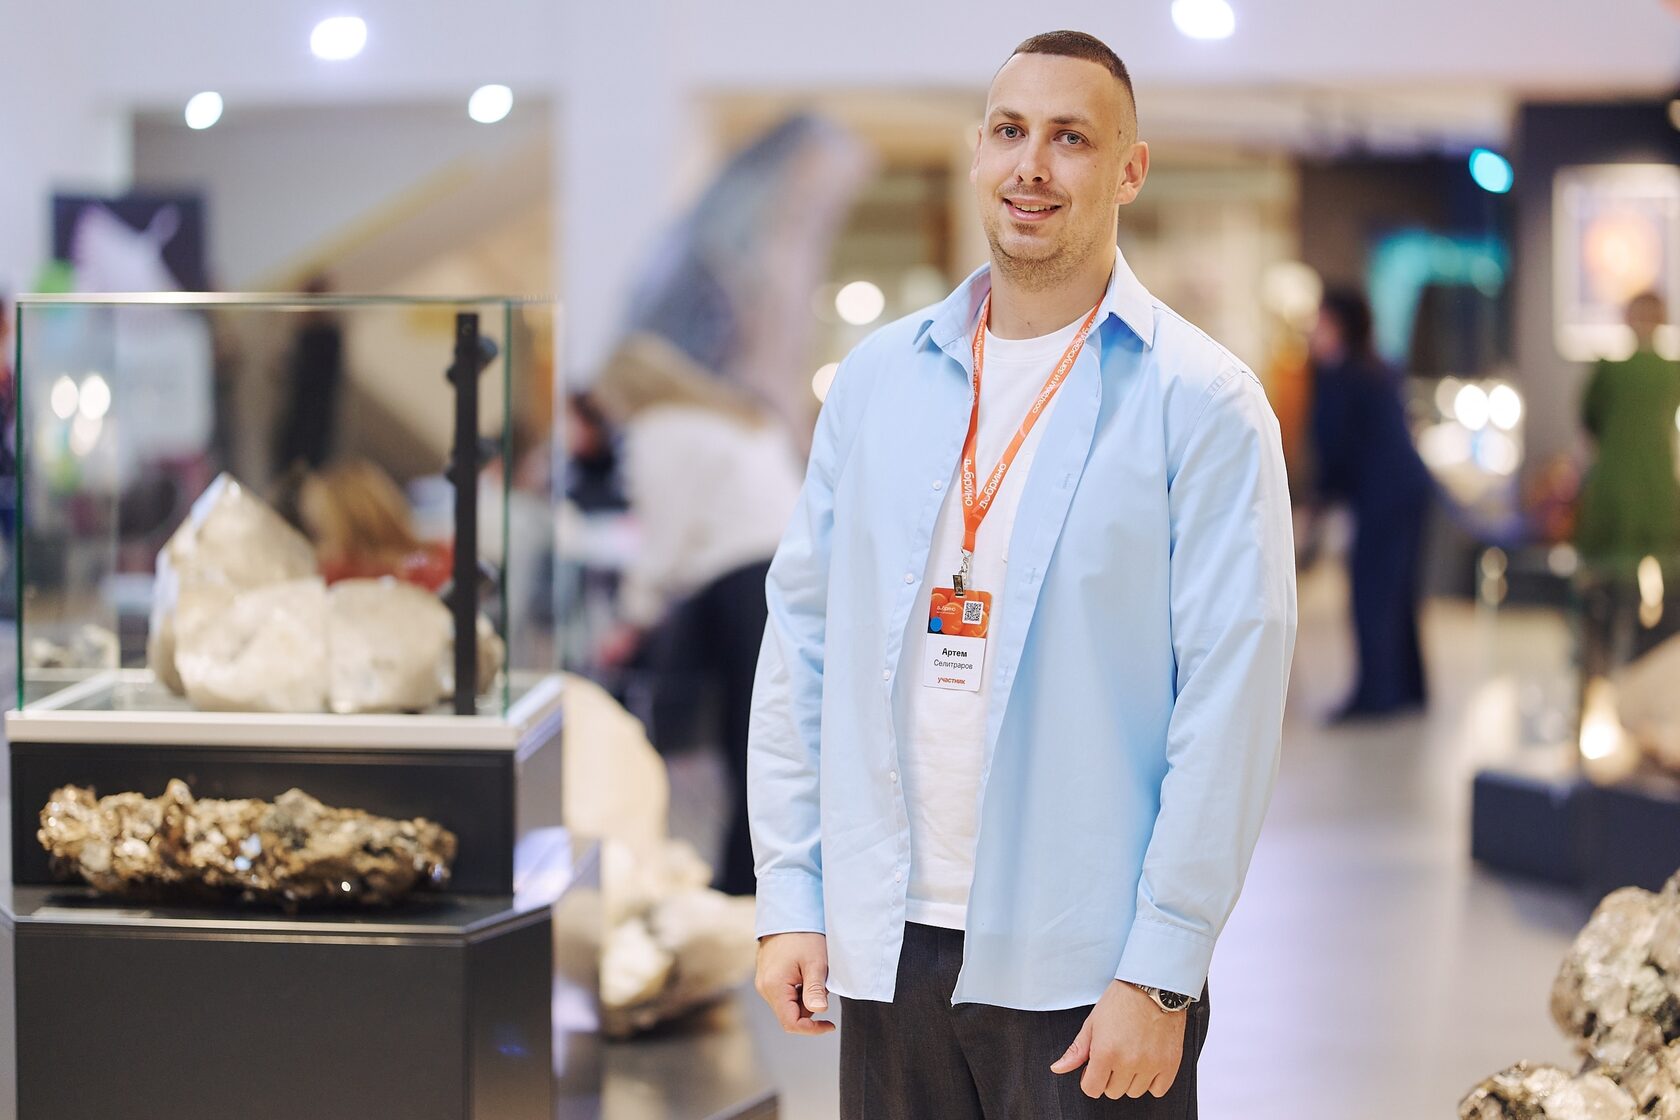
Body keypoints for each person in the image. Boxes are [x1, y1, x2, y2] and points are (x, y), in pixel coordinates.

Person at [749, 31, 1296, 1117]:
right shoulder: (876, 382)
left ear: (1130, 170)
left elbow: (1230, 702)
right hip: (889, 939)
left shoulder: (1203, 402)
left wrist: (1163, 968)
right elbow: (802, 641)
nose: (1031, 165)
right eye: (1009, 131)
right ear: (977, 152)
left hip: (1088, 965)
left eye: (1070, 139)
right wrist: (792, 891)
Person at [592, 332, 804, 897]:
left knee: (743, 741)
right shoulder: (737, 417)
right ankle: (754, 876)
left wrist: (631, 617)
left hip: (740, 587)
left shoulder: (658, 431)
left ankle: (743, 883)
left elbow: (665, 539)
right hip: (784, 578)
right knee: (765, 737)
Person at [1308, 288, 1432, 720]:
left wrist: (1317, 503)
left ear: (1337, 325)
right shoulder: (1376, 368)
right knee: (1398, 593)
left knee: (1372, 593)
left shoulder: (1342, 374)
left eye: (1319, 320)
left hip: (1383, 496)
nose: (1312, 330)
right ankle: (1408, 690)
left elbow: (1334, 447)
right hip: (1406, 490)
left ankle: (1377, 695)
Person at [1575, 290, 1680, 681]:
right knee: (1660, 597)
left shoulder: (1611, 372)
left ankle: (1603, 677)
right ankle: (1643, 675)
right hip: (1657, 494)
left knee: (1604, 594)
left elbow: (1590, 420)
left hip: (1613, 496)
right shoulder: (1670, 372)